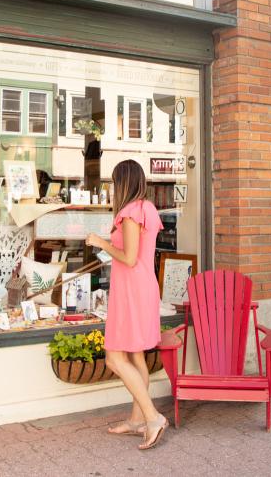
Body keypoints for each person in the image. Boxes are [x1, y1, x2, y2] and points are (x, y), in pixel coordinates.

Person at [85, 160, 168, 451]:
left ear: (123, 182)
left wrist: (101, 242)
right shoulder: (148, 209)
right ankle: (137, 420)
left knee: (114, 358)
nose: (112, 188)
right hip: (142, 289)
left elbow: (129, 257)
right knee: (135, 358)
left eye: (114, 182)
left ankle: (153, 417)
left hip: (131, 292)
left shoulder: (130, 212)